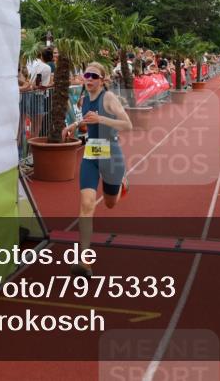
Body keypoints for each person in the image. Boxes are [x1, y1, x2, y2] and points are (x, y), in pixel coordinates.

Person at [61, 62, 131, 278]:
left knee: (110, 204)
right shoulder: (84, 99)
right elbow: (87, 119)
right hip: (91, 154)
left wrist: (101, 118)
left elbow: (127, 125)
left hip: (111, 154)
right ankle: (83, 260)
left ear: (102, 80)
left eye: (94, 76)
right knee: (86, 206)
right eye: (86, 75)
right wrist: (73, 125)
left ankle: (120, 184)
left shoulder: (108, 98)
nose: (89, 79)